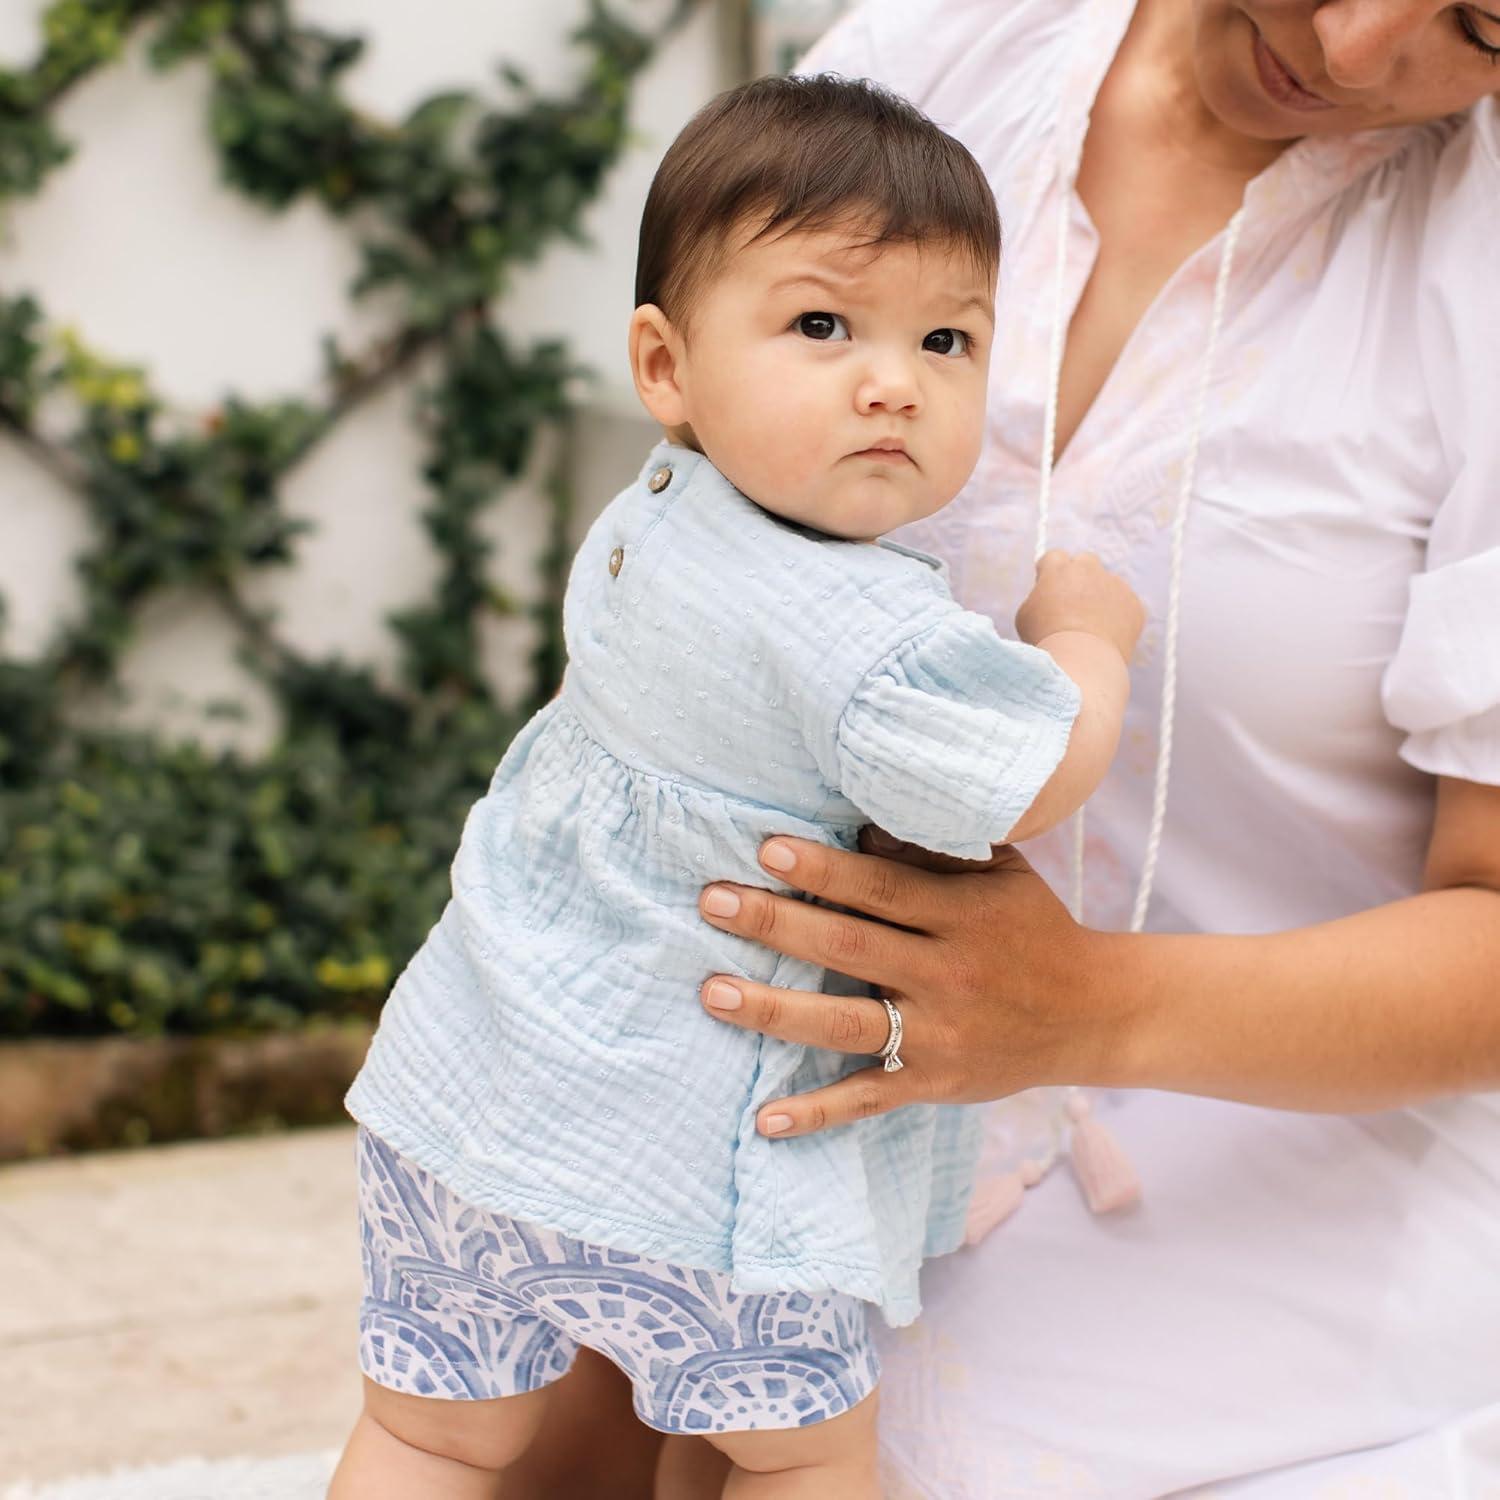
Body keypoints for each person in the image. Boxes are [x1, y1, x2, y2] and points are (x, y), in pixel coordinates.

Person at [486, 0, 1500, 1494]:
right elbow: (696, 574)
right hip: (779, 1111)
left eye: (1481, 24)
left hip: (1287, 1226)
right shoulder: (937, 58)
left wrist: (1083, 1006)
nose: (1352, 51)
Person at [328, 74, 1146, 1499]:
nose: (892, 379)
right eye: (823, 324)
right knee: (801, 1459)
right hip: (704, 1172)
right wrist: (1088, 643)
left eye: (945, 338)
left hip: (469, 1101)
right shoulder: (867, 636)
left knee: (425, 1437)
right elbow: (1022, 782)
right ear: (666, 365)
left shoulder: (649, 518)